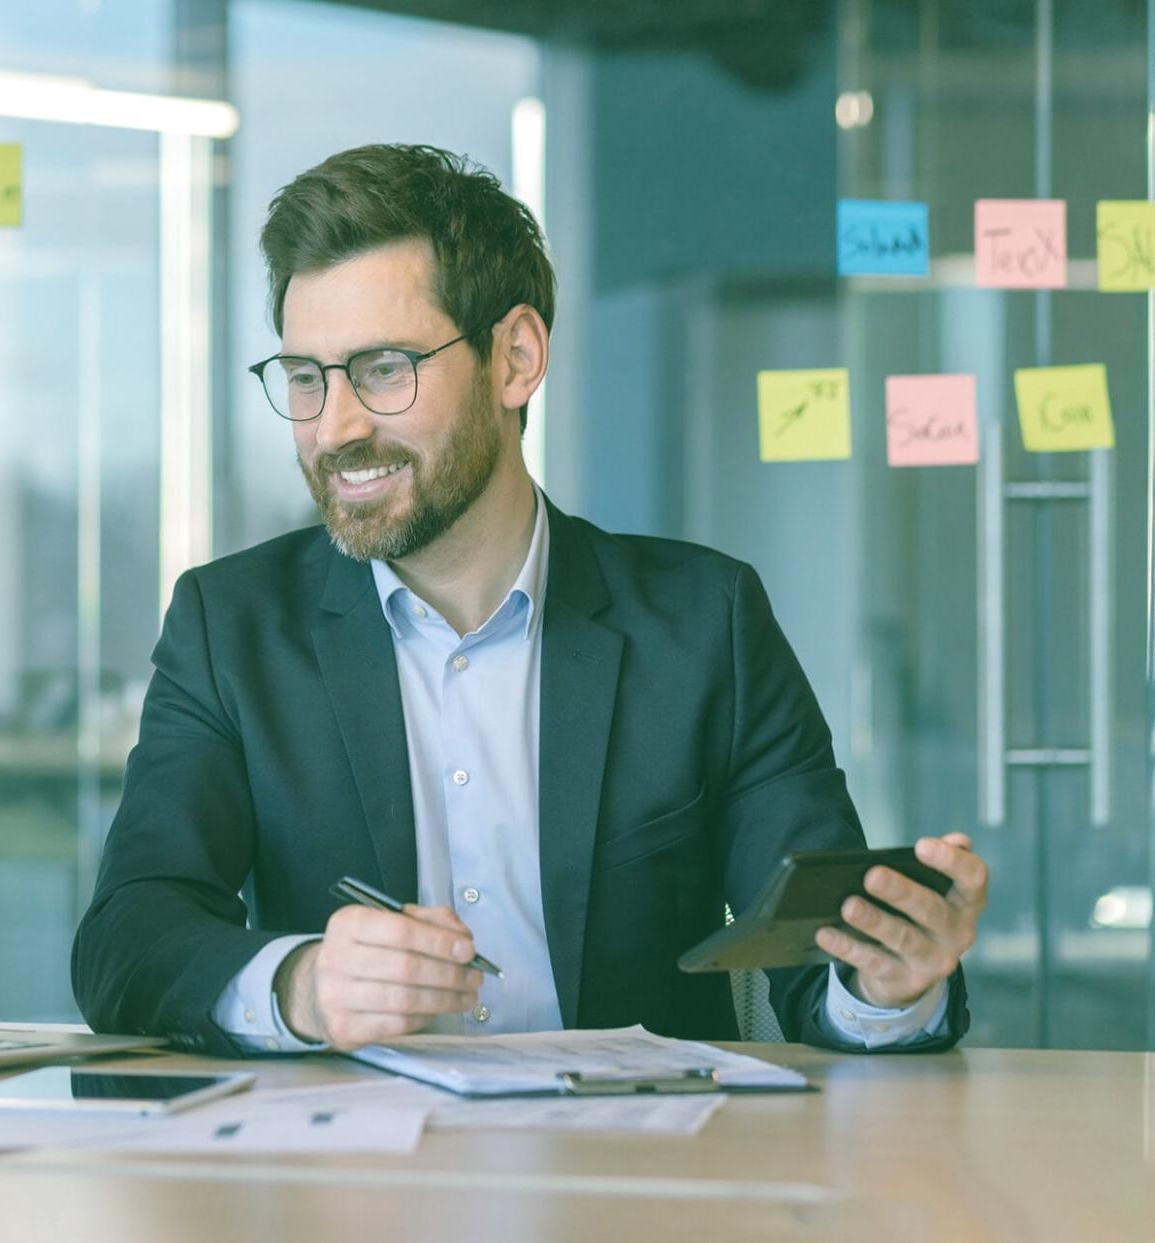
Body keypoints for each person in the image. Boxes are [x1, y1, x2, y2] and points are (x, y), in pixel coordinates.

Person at [72, 143, 987, 1056]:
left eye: (384, 369)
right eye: (307, 379)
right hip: (349, 1181)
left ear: (515, 358)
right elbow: (128, 939)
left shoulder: (705, 623)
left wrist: (885, 985)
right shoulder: (230, 628)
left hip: (642, 1175)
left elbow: (815, 956)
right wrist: (300, 986)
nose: (335, 427)